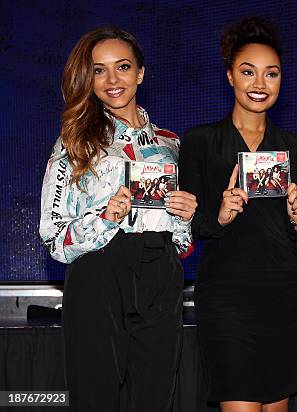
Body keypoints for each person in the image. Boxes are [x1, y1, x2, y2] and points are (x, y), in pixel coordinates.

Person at [38, 27, 197, 411]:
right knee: (96, 397)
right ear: (88, 79)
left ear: (140, 73)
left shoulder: (172, 143)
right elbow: (53, 238)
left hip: (160, 273)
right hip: (99, 272)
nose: (112, 80)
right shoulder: (74, 141)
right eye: (99, 70)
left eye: (122, 67)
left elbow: (184, 243)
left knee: (155, 397)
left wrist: (185, 216)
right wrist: (104, 217)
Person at [178, 17, 297, 412]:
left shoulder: (295, 149)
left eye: (271, 74)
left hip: (284, 296)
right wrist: (218, 216)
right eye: (248, 72)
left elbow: (292, 233)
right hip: (227, 298)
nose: (260, 83)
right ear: (229, 76)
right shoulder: (200, 142)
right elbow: (186, 226)